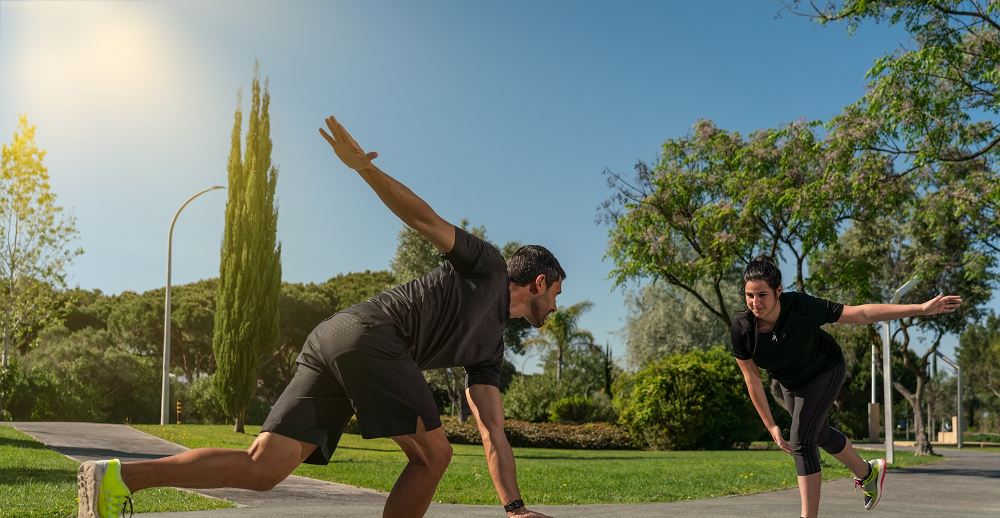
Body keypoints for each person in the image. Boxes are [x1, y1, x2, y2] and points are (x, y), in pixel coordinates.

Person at [77, 116, 559, 518]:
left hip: (336, 337)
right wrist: (362, 170)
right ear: (538, 283)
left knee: (263, 469)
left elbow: (492, 431)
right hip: (374, 336)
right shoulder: (489, 266)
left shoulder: (489, 350)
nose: (555, 307)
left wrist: (514, 507)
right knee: (434, 456)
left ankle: (120, 477)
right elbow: (424, 219)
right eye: (555, 293)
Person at [731, 255, 961, 518]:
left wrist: (920, 308)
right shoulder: (742, 330)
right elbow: (753, 379)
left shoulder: (801, 306)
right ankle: (868, 472)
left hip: (825, 369)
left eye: (762, 295)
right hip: (791, 382)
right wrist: (770, 424)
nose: (755, 303)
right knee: (819, 435)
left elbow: (860, 313)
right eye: (749, 295)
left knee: (801, 438)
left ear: (778, 291)